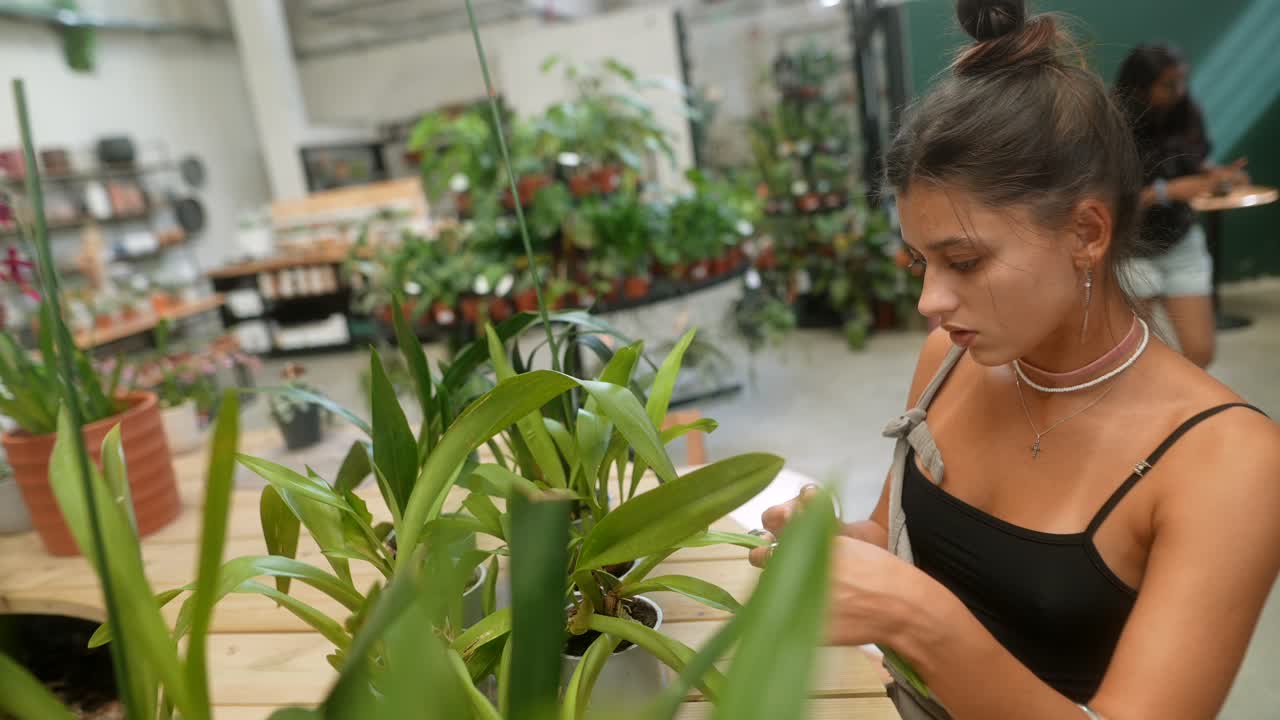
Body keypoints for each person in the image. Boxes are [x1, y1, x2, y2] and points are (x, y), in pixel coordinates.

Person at [748, 2, 1279, 719]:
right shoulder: (950, 360)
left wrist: (919, 622)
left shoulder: (1229, 462)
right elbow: (897, 537)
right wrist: (832, 549)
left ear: (1086, 232)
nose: (929, 302)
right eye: (919, 262)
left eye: (964, 261)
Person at [1113, 43, 1249, 368]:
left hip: (1180, 241)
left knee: (1200, 352)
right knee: (1136, 358)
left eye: (1182, 80)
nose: (1180, 90)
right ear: (1140, 87)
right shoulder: (1113, 121)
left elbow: (1193, 162)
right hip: (1132, 248)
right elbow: (1118, 199)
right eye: (1169, 84)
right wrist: (1170, 190)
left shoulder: (1186, 110)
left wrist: (1215, 174)